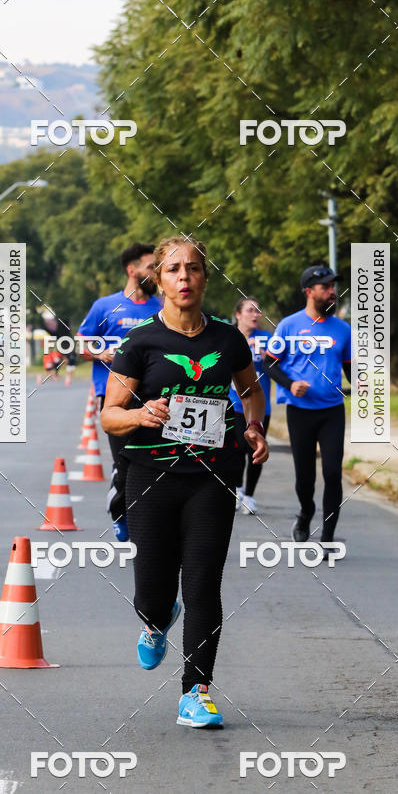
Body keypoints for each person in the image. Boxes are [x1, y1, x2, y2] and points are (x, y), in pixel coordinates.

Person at [101, 235, 268, 729]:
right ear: (160, 280)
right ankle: (155, 619)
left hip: (213, 475)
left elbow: (251, 388)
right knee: (153, 586)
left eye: (193, 269)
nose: (184, 278)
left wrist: (255, 426)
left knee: (202, 585)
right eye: (173, 270)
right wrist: (140, 414)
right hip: (151, 474)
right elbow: (109, 416)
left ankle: (196, 690)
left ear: (204, 277)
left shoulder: (226, 338)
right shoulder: (141, 343)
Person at [263, 266, 351, 556]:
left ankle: (327, 537)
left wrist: (361, 381)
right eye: (326, 287)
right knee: (305, 478)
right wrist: (290, 384)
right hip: (300, 412)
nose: (332, 292)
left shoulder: (342, 329)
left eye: (333, 286)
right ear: (309, 291)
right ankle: (305, 513)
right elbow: (269, 363)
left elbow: (350, 367)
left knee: (332, 473)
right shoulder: (289, 326)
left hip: (332, 411)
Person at [78, 243, 160, 541]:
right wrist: (105, 354)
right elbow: (79, 344)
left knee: (154, 460)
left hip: (156, 396)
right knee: (125, 461)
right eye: (152, 267)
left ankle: (149, 521)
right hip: (116, 397)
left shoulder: (164, 307)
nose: (157, 273)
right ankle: (120, 511)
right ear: (132, 270)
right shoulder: (105, 306)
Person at [229, 297, 272, 515]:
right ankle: (237, 489)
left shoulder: (267, 339)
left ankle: (250, 496)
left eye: (258, 311)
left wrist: (266, 357)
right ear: (238, 314)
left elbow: (278, 366)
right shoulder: (228, 336)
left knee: (255, 450)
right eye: (250, 311)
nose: (256, 315)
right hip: (234, 404)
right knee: (236, 450)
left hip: (260, 405)